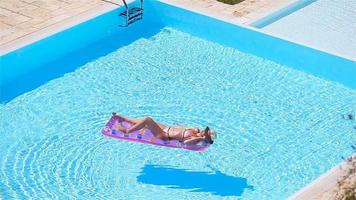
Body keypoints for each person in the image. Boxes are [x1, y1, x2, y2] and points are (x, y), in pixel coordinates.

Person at [113, 113, 215, 145]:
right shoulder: (195, 130)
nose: (203, 130)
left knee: (148, 120)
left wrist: (201, 139)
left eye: (205, 132)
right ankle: (126, 119)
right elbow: (183, 127)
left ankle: (126, 131)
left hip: (164, 136)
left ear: (205, 136)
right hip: (167, 128)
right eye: (205, 130)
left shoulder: (195, 140)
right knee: (144, 122)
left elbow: (186, 143)